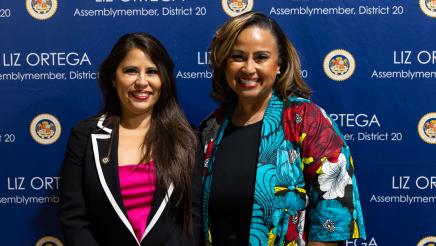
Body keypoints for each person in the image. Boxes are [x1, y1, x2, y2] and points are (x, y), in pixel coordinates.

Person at [198, 12, 366, 246]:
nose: (248, 68)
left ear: (279, 64)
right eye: (237, 57)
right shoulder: (210, 129)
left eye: (261, 57)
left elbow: (335, 208)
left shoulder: (305, 119)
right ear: (224, 62)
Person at [59, 32, 200, 246]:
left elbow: (192, 218)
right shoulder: (85, 136)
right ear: (114, 79)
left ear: (163, 80)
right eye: (131, 71)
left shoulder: (187, 138)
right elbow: (74, 219)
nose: (142, 82)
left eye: (152, 71)